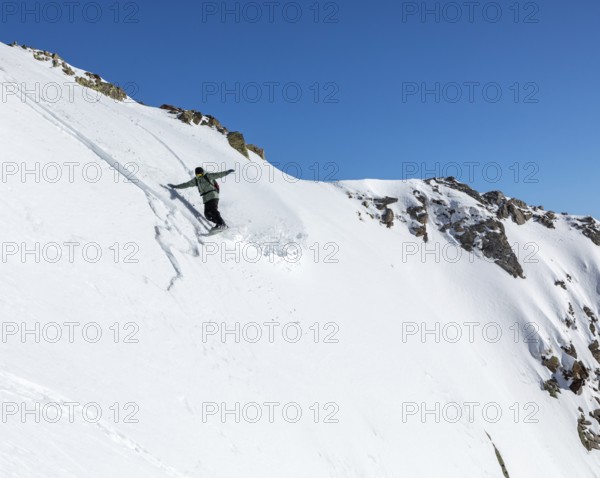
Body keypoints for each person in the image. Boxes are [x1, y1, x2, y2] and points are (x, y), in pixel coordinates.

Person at [168, 167, 235, 231]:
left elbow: (218, 174)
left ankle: (221, 224)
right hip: (206, 199)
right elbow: (187, 184)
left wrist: (227, 172)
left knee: (213, 210)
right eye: (198, 175)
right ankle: (220, 224)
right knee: (207, 215)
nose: (200, 176)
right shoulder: (196, 180)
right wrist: (176, 186)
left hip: (213, 195)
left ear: (203, 172)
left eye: (201, 174)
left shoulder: (208, 176)